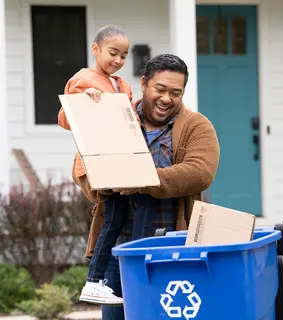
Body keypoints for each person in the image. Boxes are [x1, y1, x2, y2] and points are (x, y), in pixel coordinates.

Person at [72, 54, 220, 319]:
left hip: (172, 250)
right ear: (144, 84)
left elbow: (200, 172)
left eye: (176, 92)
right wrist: (107, 182)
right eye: (160, 89)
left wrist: (143, 182)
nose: (167, 98)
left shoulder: (196, 126)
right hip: (118, 252)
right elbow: (82, 167)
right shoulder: (114, 115)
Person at [57, 25, 134, 306]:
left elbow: (130, 119)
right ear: (96, 49)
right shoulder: (83, 79)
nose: (118, 60)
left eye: (124, 55)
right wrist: (84, 101)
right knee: (112, 218)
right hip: (100, 161)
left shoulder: (122, 85)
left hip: (123, 159)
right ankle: (94, 280)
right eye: (113, 53)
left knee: (117, 218)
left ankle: (101, 279)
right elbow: (66, 118)